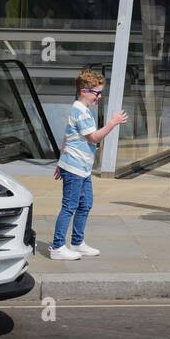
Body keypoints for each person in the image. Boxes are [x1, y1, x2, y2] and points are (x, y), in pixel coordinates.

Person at [49, 71, 127, 261]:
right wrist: (113, 123)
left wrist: (60, 163)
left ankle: (77, 242)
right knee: (70, 206)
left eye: (100, 93)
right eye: (96, 93)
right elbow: (94, 137)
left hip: (81, 167)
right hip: (75, 168)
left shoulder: (82, 110)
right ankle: (57, 247)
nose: (99, 97)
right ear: (84, 91)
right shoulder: (80, 111)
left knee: (85, 204)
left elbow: (67, 138)